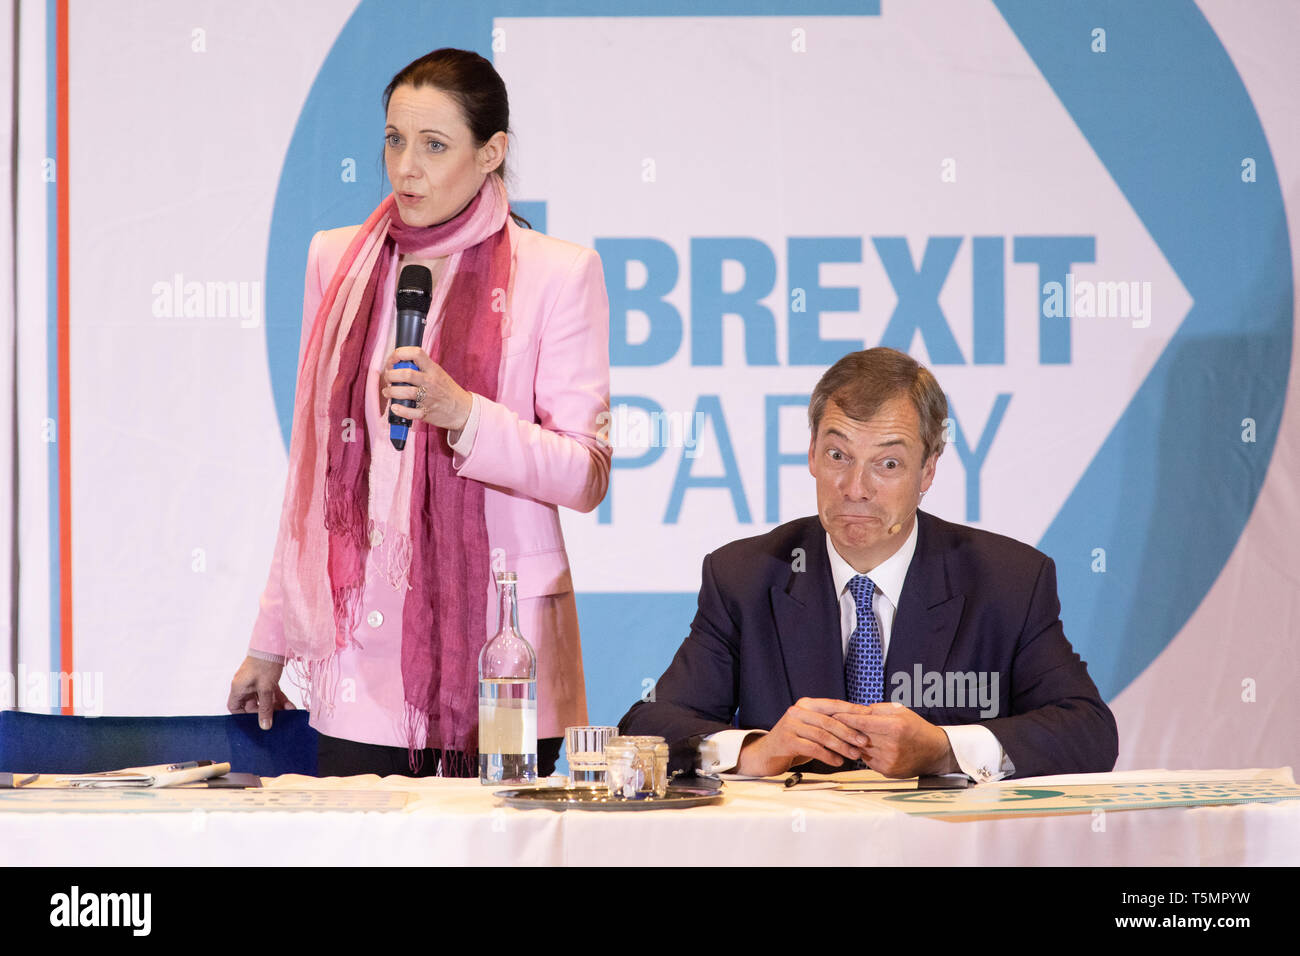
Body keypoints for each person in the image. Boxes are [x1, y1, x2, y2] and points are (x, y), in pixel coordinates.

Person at [227, 49, 610, 778]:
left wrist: (464, 414)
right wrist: (271, 638)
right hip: (362, 656)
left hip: (503, 650)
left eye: (434, 146)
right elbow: (313, 478)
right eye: (395, 140)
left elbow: (585, 473)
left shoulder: (558, 273)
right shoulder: (335, 263)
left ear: (491, 153)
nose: (406, 168)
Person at [619, 347, 1117, 782]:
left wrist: (945, 750)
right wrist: (754, 751)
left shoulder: (1007, 581)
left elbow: (1089, 731)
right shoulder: (745, 576)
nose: (855, 487)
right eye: (838, 454)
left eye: (888, 464)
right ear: (811, 454)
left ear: (928, 471)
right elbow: (646, 726)